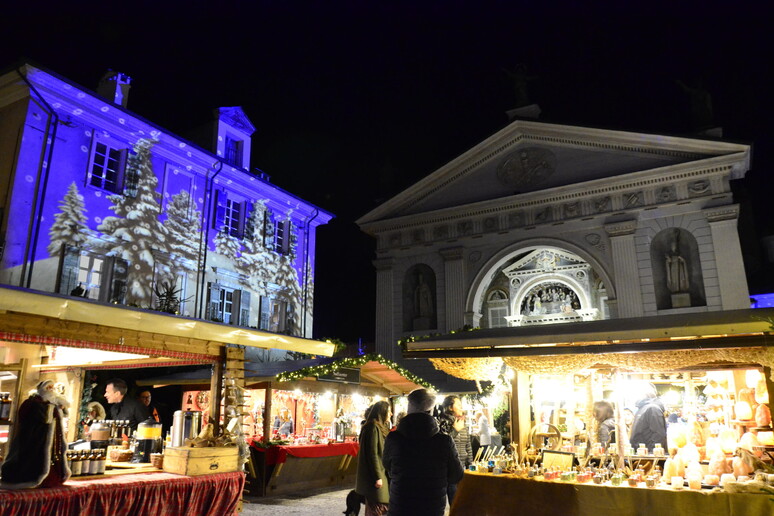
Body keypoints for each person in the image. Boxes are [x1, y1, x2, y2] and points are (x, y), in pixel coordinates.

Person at [382, 389, 464, 516]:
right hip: (432, 507)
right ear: (432, 410)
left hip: (401, 505)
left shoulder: (394, 438)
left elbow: (387, 465)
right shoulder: (444, 441)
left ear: (409, 408)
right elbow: (456, 475)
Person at [0, 380, 71, 488]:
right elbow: (43, 418)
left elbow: (60, 415)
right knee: (32, 457)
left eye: (52, 388)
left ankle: (51, 477)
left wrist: (60, 407)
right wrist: (52, 408)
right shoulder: (33, 402)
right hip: (35, 437)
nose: (51, 390)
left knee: (50, 457)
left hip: (51, 437)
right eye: (48, 388)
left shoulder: (51, 402)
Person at [356, 401, 391, 515]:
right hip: (376, 475)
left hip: (381, 473)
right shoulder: (372, 428)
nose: (390, 414)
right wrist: (377, 477)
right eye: (389, 411)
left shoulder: (379, 427)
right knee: (376, 504)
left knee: (379, 505)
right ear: (382, 412)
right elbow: (373, 454)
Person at [436, 395, 472, 505]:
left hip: (462, 467)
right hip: (449, 469)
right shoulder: (442, 423)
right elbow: (442, 445)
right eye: (459, 405)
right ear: (450, 407)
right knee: (454, 501)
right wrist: (455, 430)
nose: (462, 408)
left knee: (461, 502)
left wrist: (471, 464)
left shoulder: (462, 423)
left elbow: (468, 446)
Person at [629, 383, 667, 451]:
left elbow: (659, 435)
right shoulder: (641, 408)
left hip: (648, 456)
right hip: (640, 454)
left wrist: (651, 456)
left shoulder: (652, 409)